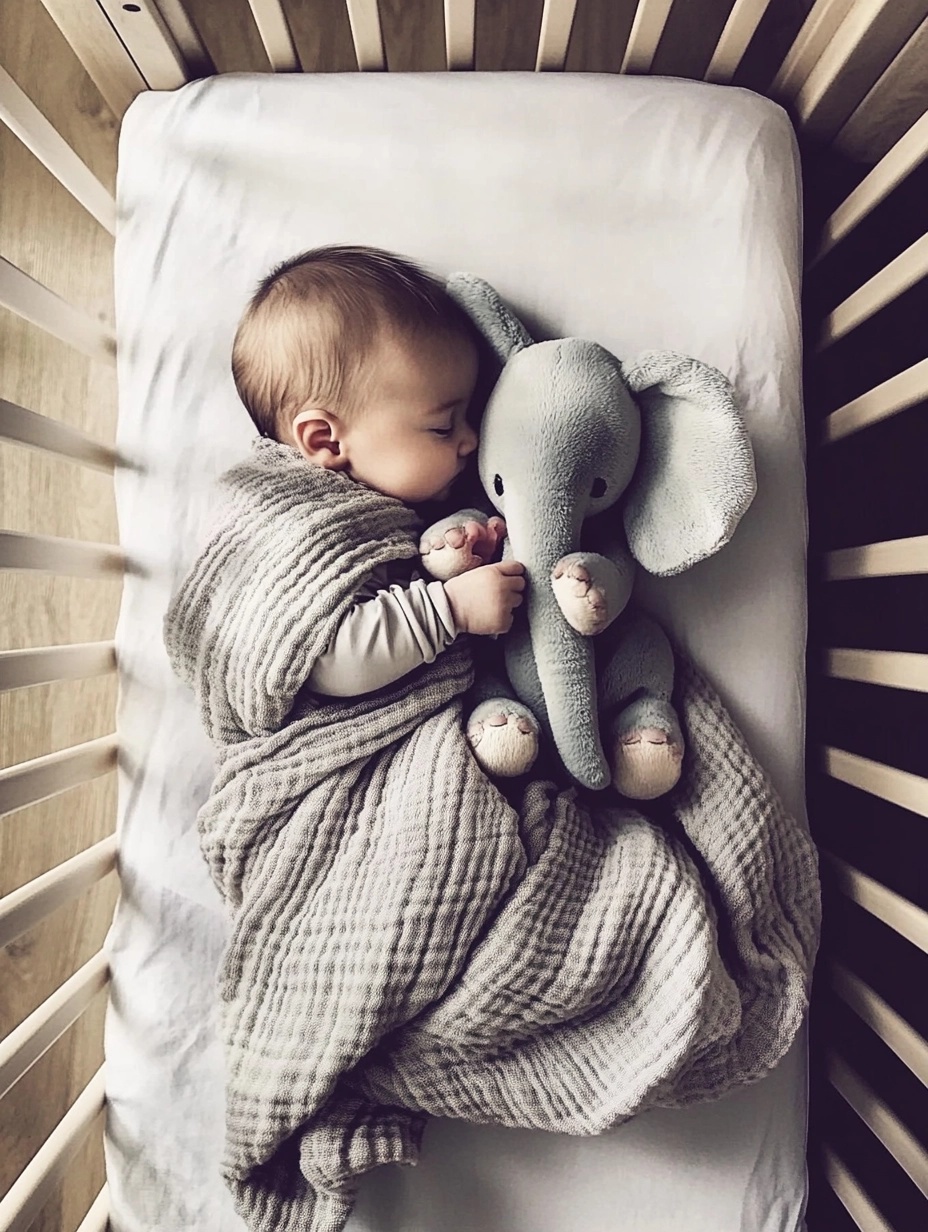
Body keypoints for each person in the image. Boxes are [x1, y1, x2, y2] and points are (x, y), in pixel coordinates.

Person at [230, 243, 524, 697]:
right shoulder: (296, 527)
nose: (472, 440)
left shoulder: (380, 509)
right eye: (444, 426)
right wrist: (451, 610)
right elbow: (323, 659)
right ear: (326, 441)